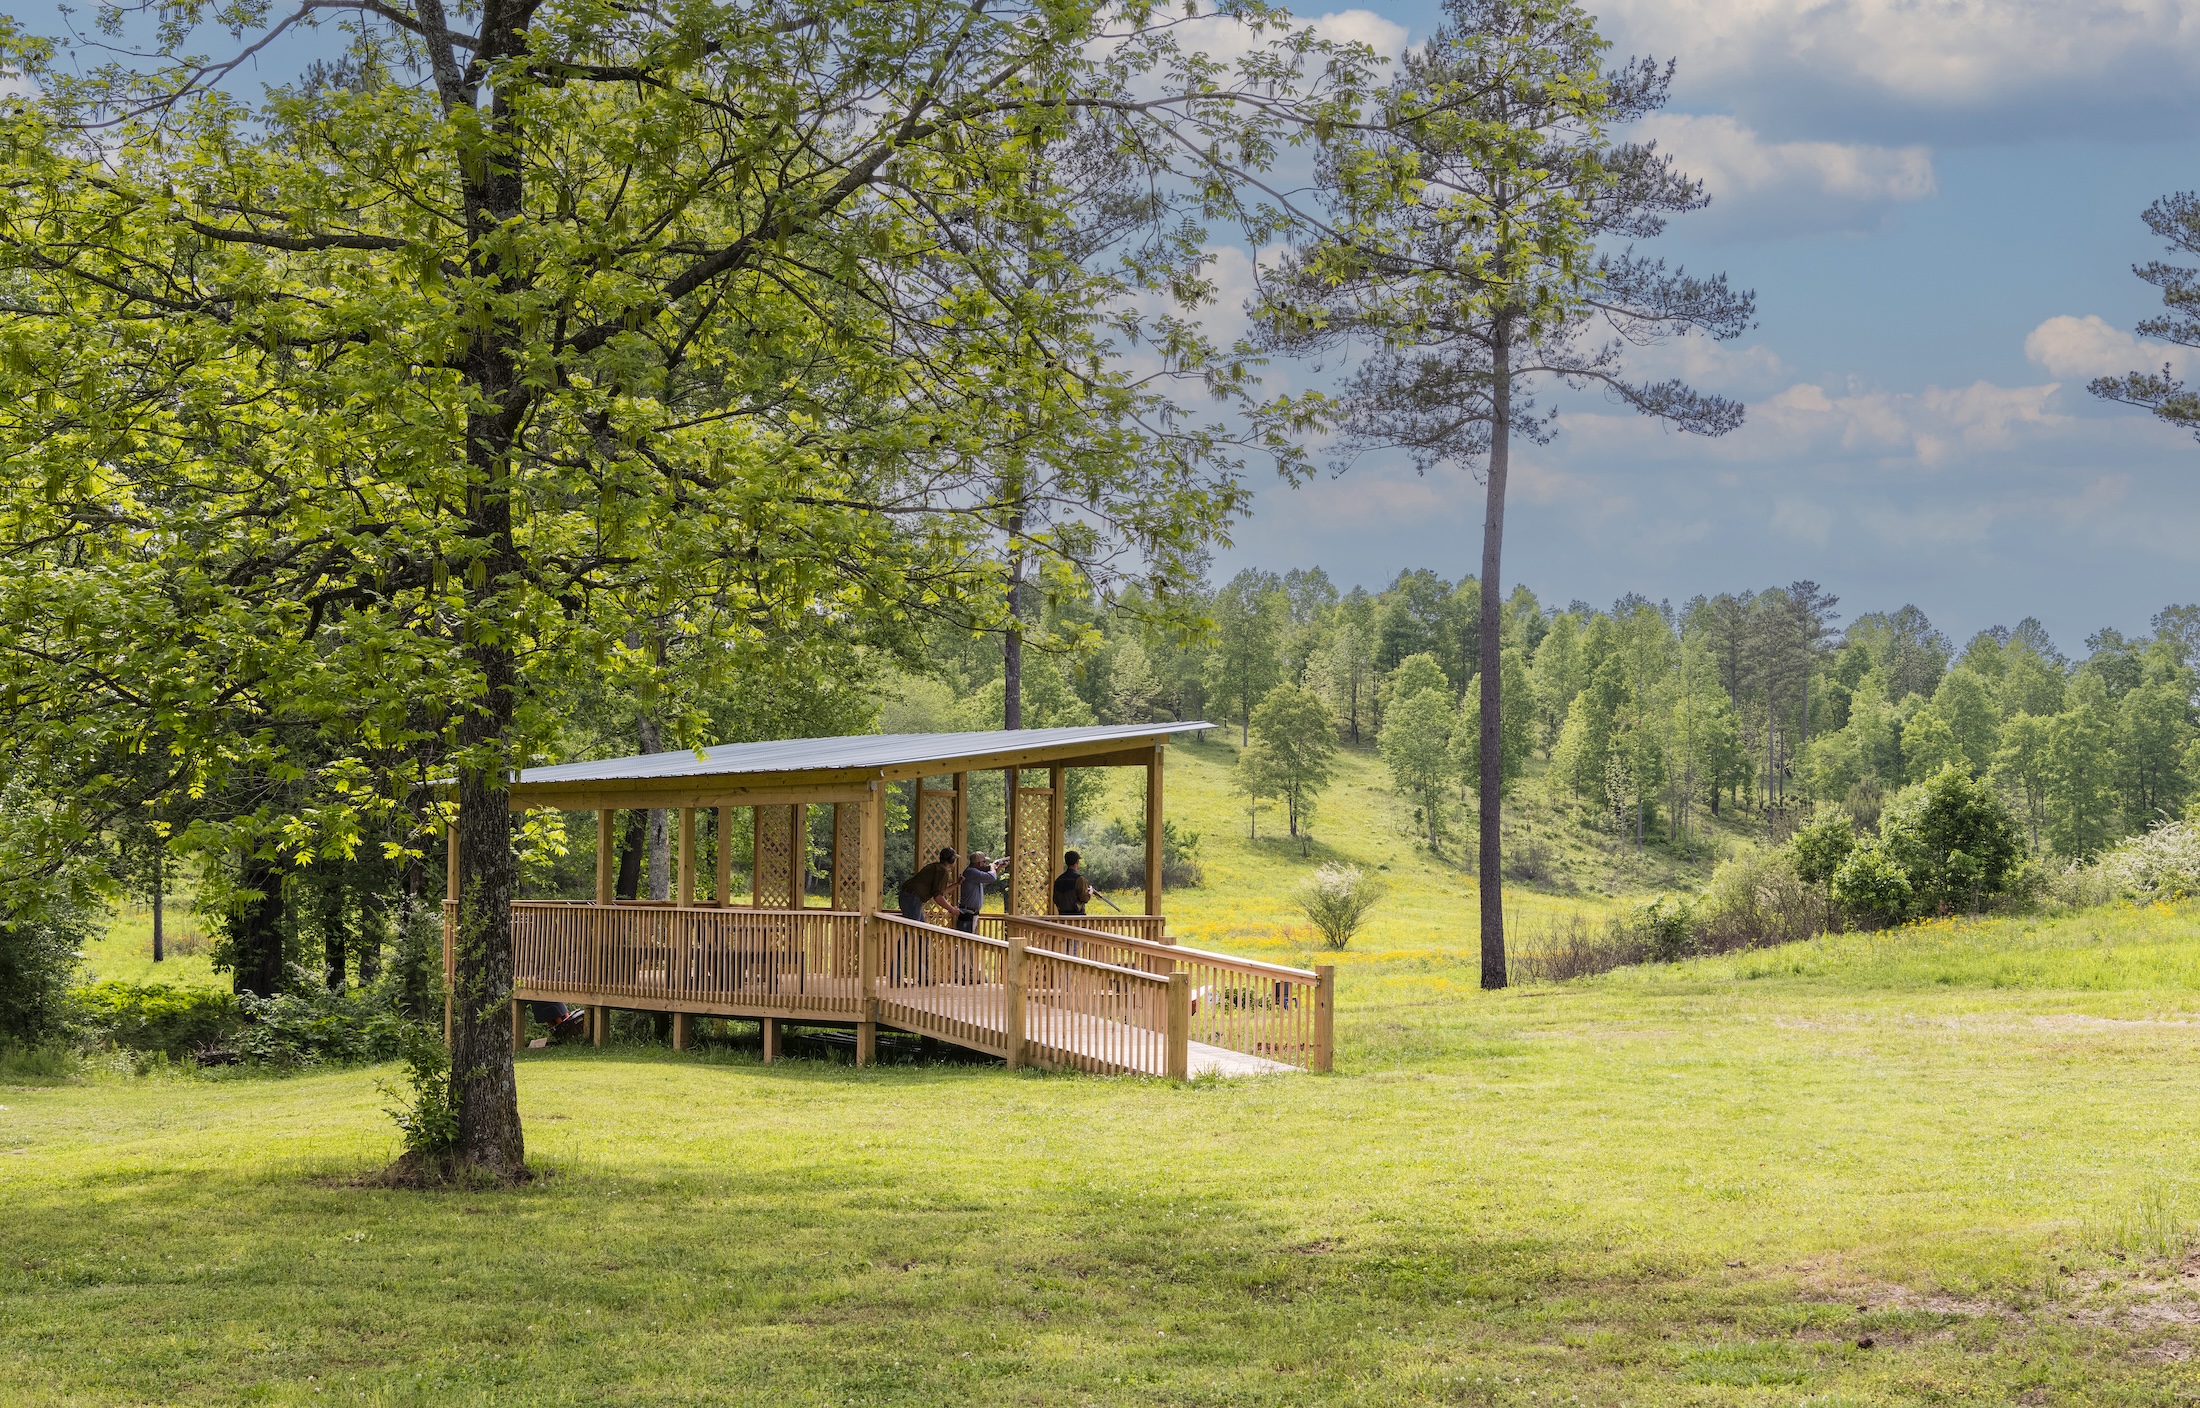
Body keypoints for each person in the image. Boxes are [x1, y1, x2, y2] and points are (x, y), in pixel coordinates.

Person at [898, 846, 961, 924]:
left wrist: (957, 884)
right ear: (951, 860)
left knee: (922, 931)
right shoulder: (942, 871)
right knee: (912, 931)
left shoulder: (936, 867)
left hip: (908, 896)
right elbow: (938, 897)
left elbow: (941, 892)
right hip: (913, 898)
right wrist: (952, 909)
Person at [955, 852, 1003, 933]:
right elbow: (991, 877)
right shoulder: (971, 872)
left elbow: (989, 879)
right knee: (965, 942)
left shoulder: (973, 873)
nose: (985, 864)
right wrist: (992, 866)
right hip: (968, 914)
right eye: (984, 862)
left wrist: (999, 868)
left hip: (971, 914)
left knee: (970, 942)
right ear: (980, 863)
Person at [1052, 850, 1093, 916]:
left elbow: (1055, 899)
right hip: (1077, 919)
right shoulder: (1079, 879)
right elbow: (1085, 898)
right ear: (1077, 862)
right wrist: (1090, 892)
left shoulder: (1058, 880)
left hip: (1063, 918)